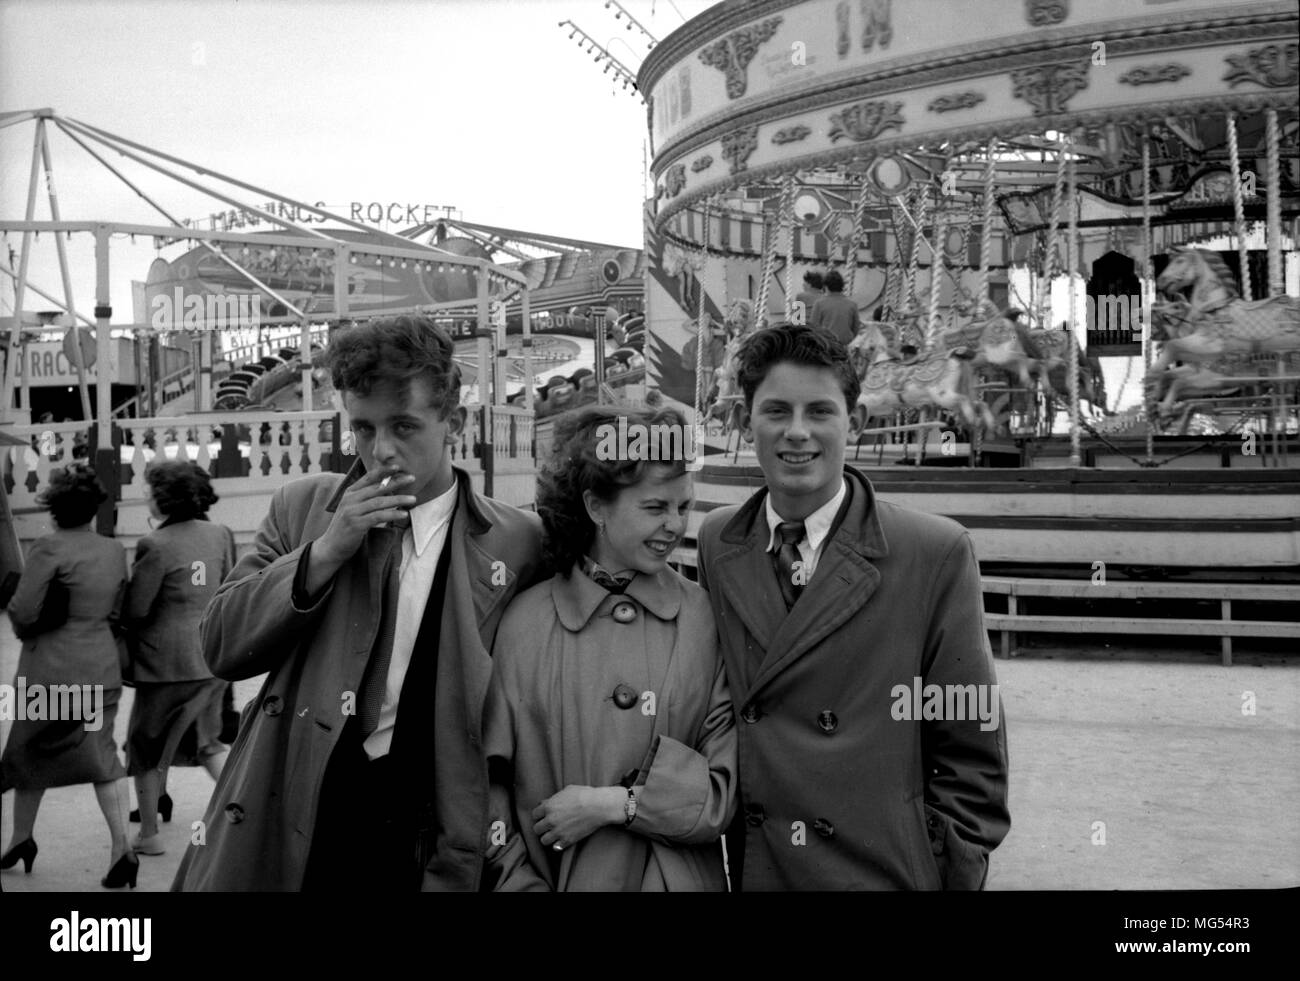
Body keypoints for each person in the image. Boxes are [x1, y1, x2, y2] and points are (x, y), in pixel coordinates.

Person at [171, 315, 546, 891]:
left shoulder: (518, 541)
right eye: (364, 430)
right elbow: (219, 647)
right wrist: (323, 554)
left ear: (456, 422)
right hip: (311, 799)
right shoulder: (305, 508)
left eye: (404, 426)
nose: (382, 451)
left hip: (436, 817)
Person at [696, 324, 1010, 890]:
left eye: (819, 411)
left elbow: (971, 748)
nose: (797, 433)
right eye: (775, 412)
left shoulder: (932, 552)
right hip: (764, 871)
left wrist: (941, 867)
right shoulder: (720, 542)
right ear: (745, 425)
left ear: (855, 422)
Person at [486, 405, 736, 891]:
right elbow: (487, 791)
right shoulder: (523, 626)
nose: (674, 525)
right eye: (655, 508)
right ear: (596, 507)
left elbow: (722, 793)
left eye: (683, 507)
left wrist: (612, 805)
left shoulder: (705, 618)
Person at [0, 464, 137, 889]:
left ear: (54, 509)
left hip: (51, 673)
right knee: (101, 756)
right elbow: (119, 610)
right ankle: (122, 852)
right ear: (94, 509)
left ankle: (22, 837)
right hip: (100, 668)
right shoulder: (113, 551)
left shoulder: (47, 548)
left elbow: (22, 611)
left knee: (28, 752)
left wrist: (29, 632)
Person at [123, 460, 236, 856]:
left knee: (146, 748)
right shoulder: (219, 533)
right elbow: (226, 585)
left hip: (166, 665)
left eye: (149, 491)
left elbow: (137, 609)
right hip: (212, 655)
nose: (145, 497)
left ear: (165, 498)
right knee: (208, 743)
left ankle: (149, 834)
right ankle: (241, 815)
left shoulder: (154, 545)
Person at [809, 269, 861, 345]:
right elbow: (856, 328)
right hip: (845, 344)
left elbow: (813, 327)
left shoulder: (819, 303)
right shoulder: (852, 304)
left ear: (825, 286)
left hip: (826, 344)